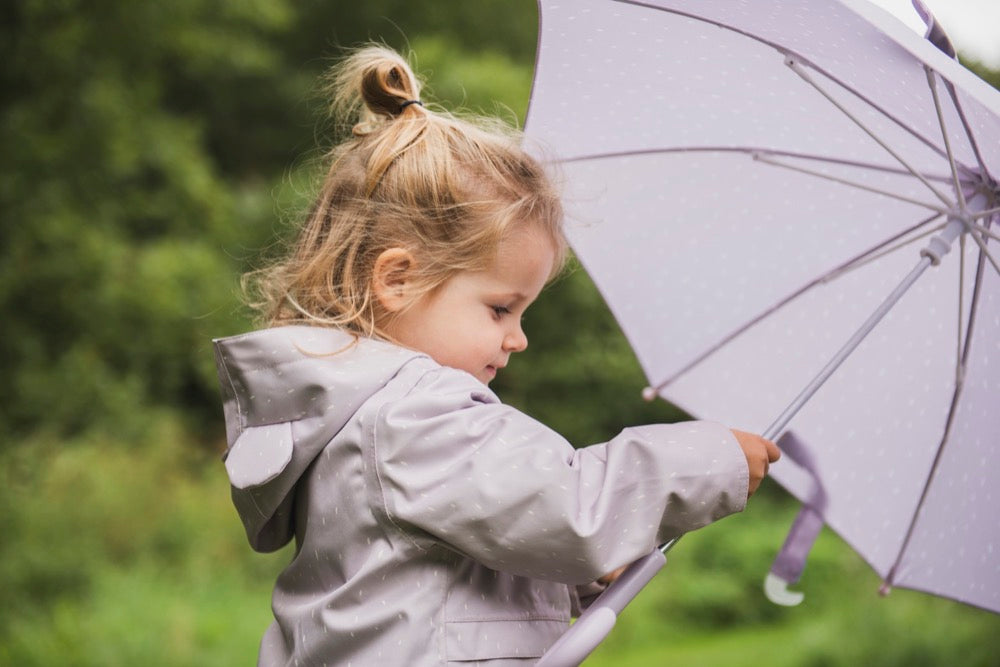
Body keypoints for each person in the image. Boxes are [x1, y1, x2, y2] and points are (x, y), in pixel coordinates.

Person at [214, 44, 779, 666]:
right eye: (500, 309)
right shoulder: (412, 414)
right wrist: (711, 460)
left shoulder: (357, 417)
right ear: (398, 279)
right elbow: (564, 507)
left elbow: (444, 560)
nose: (519, 338)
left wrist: (568, 580)